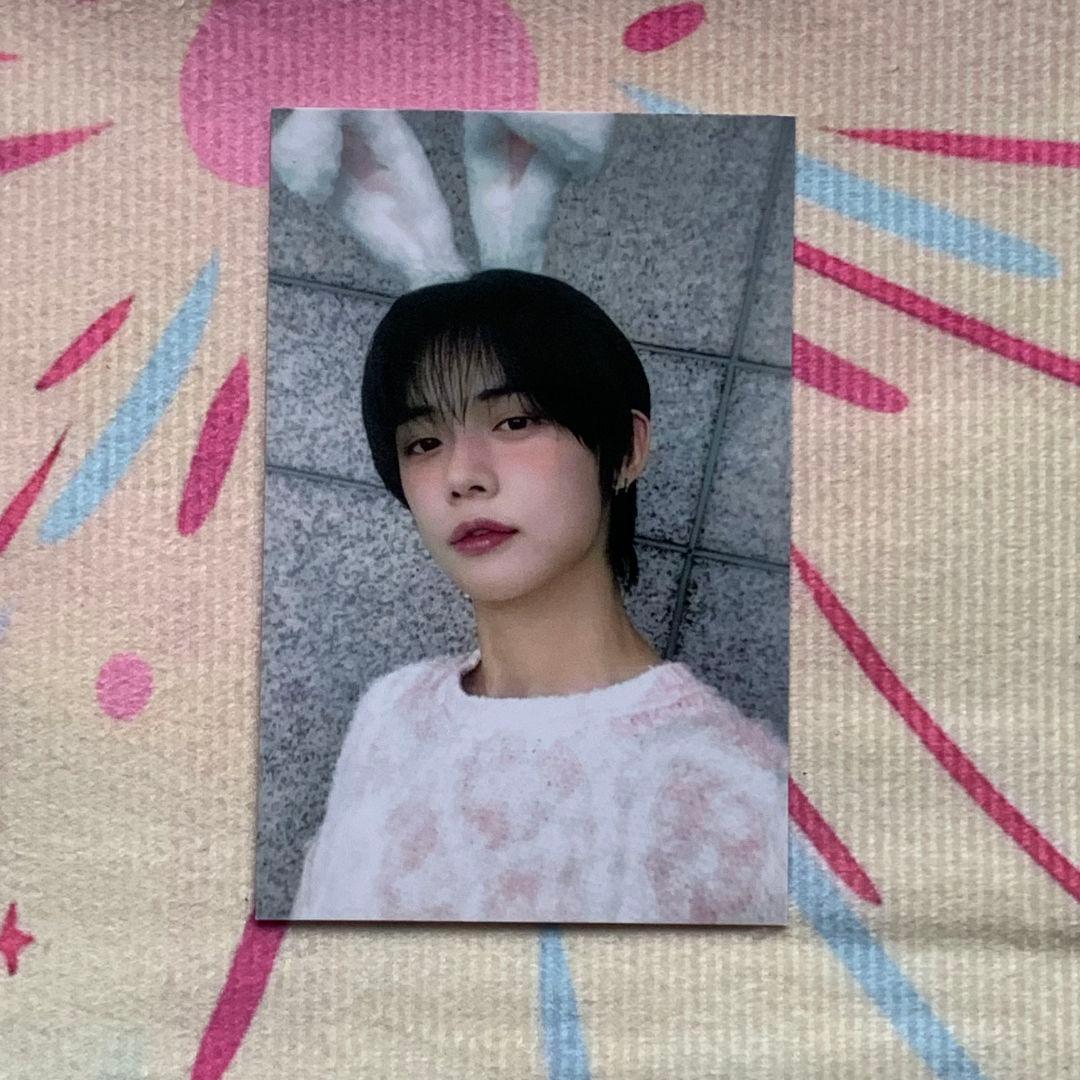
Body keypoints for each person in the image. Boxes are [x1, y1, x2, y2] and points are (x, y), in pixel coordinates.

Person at [290, 269, 788, 924]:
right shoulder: (389, 713)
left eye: (515, 421)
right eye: (424, 442)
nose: (462, 476)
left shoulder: (738, 792)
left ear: (626, 449)